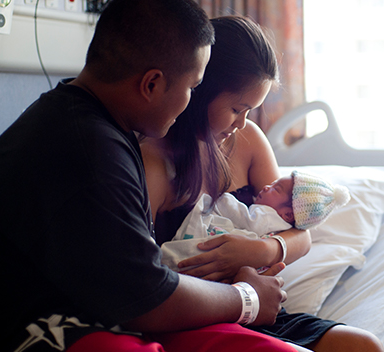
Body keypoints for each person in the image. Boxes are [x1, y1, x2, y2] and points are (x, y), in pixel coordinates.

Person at [0, 1, 301, 352]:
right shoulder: (91, 152)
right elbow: (149, 298)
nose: (190, 102)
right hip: (33, 325)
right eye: (192, 88)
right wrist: (247, 298)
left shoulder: (75, 120)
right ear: (151, 84)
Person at [140, 15, 384, 352]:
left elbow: (301, 232)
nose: (242, 123)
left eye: (251, 111)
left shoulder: (248, 142)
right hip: (196, 313)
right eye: (237, 109)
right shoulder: (156, 158)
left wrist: (264, 249)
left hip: (261, 309)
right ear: (199, 91)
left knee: (364, 345)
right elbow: (141, 275)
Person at [161, 171, 351, 273]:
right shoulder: (279, 220)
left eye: (276, 189)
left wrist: (222, 199)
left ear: (287, 215)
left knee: (189, 252)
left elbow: (246, 219)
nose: (267, 186)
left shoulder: (268, 218)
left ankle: (165, 261)